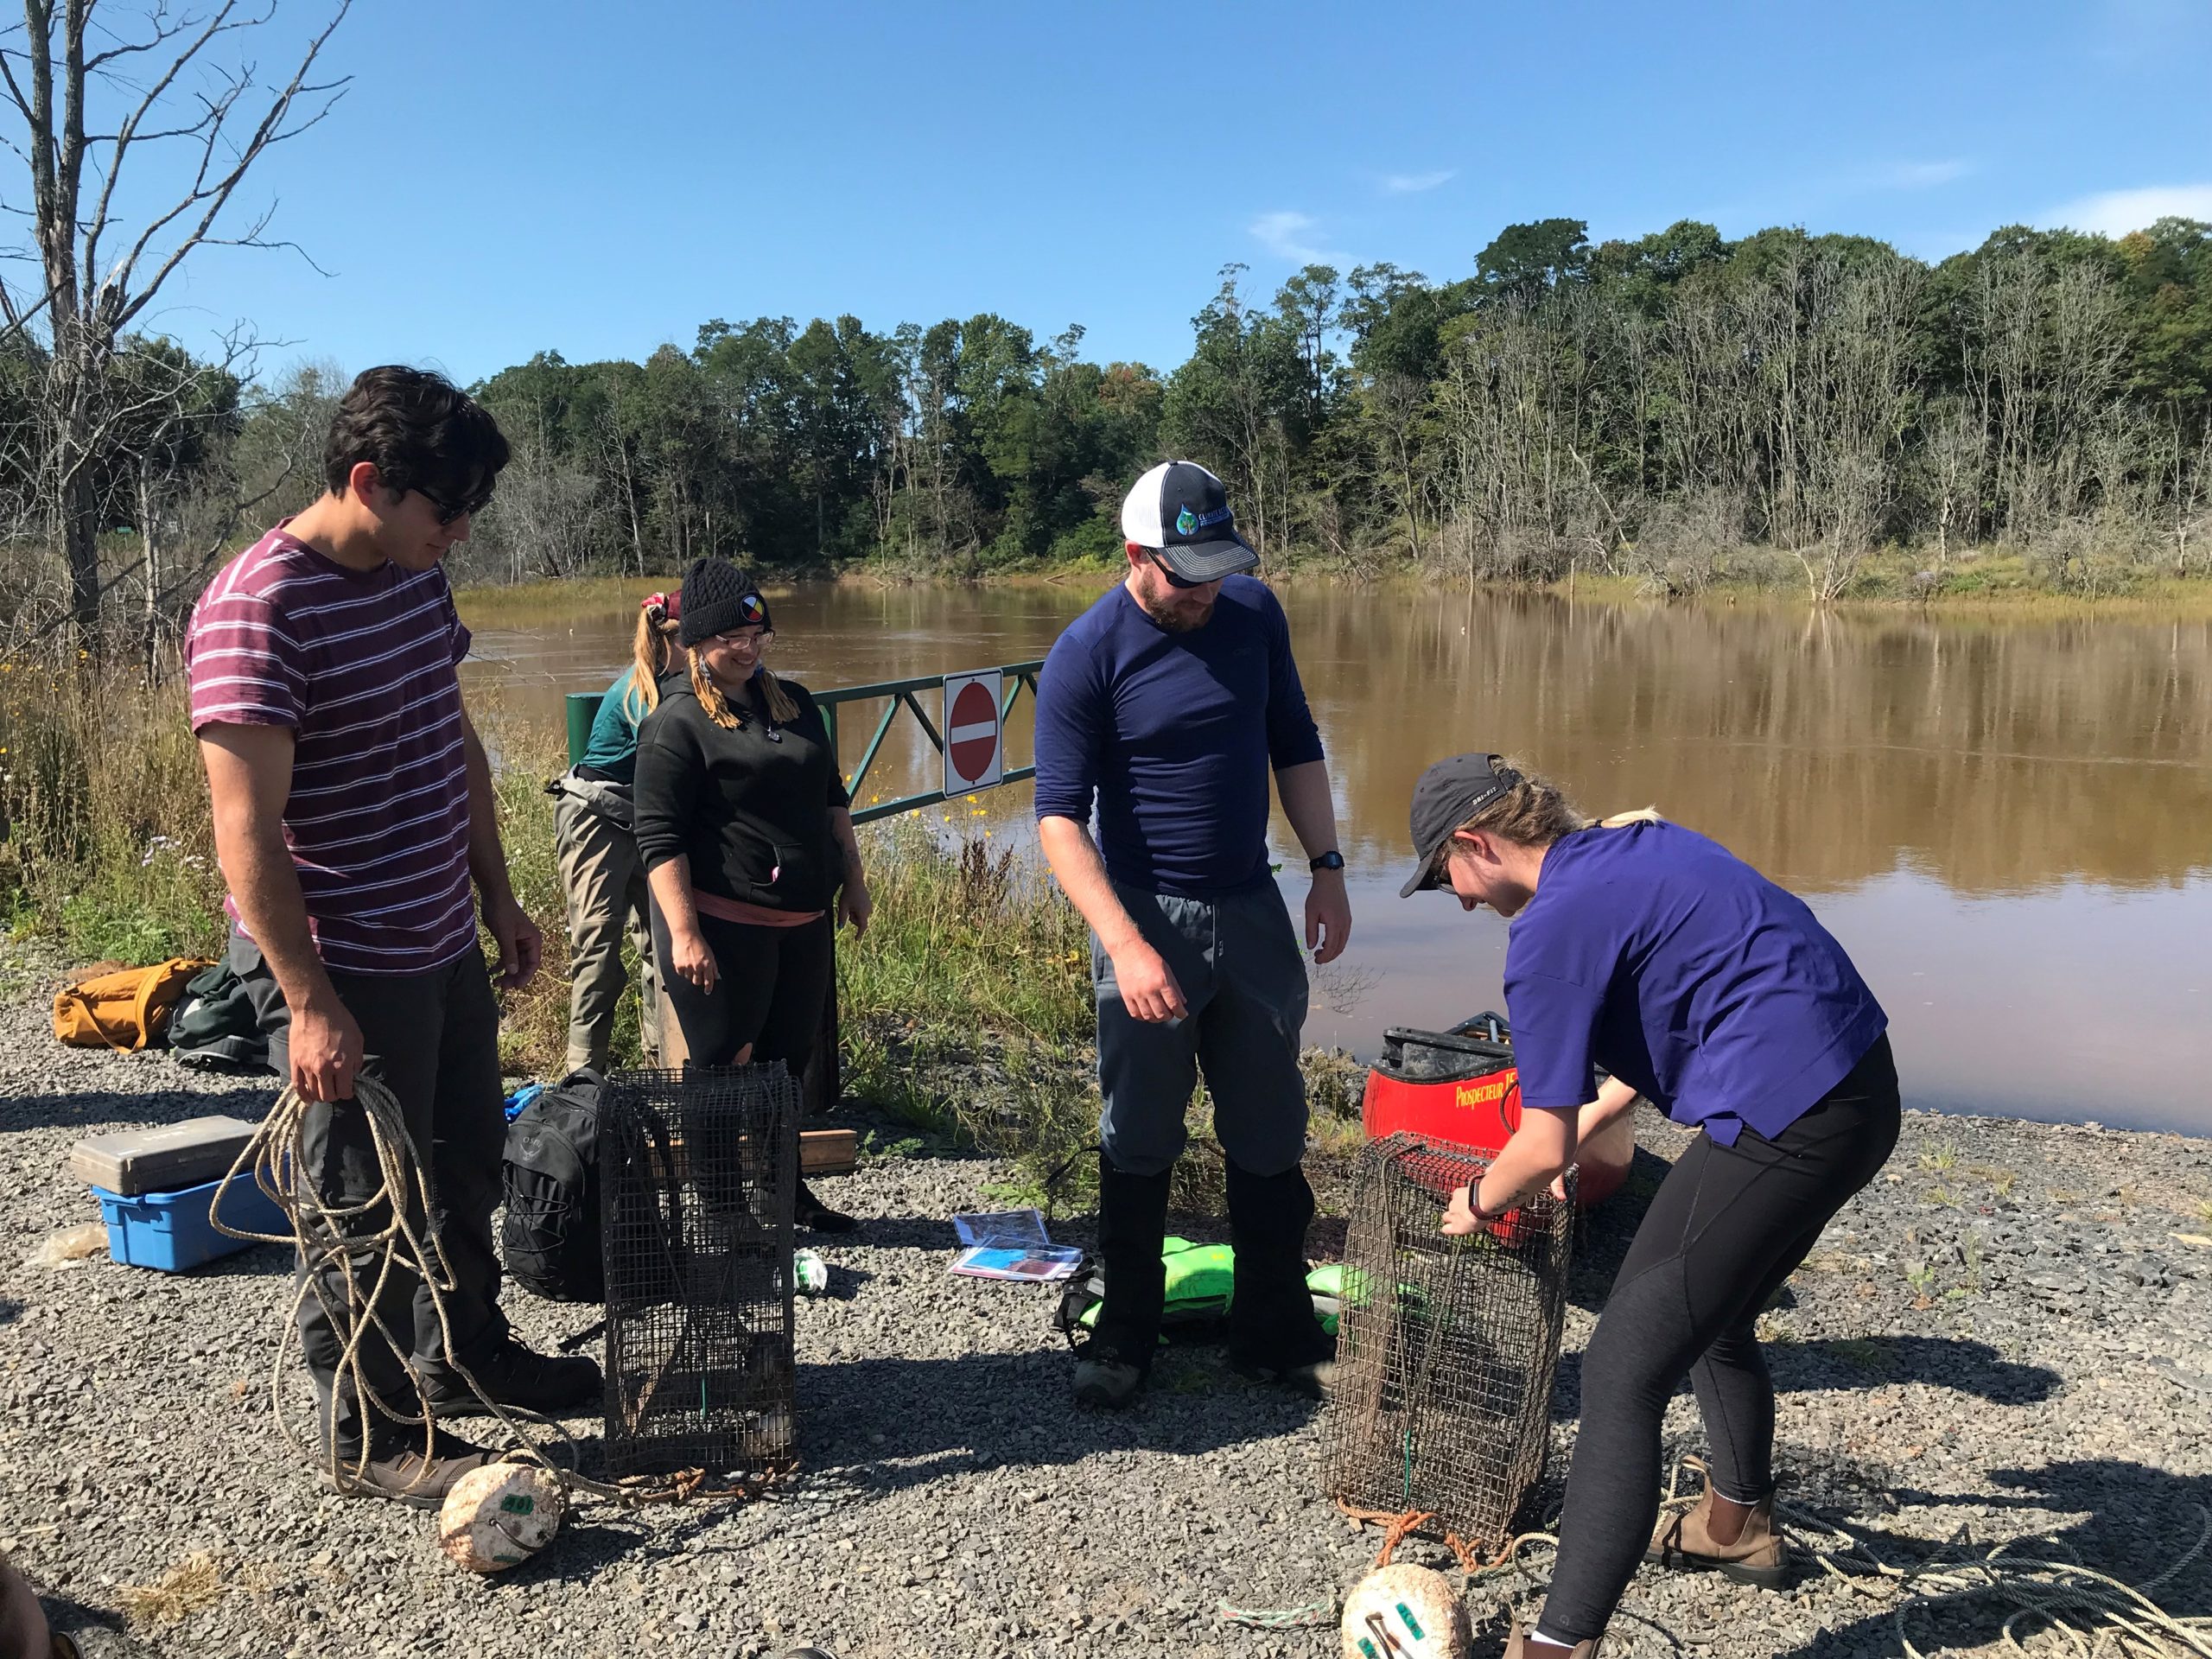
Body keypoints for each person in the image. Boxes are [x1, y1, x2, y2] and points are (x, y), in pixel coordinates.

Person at [187, 366, 601, 1508]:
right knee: (364, 1202)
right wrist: (308, 1000)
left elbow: (450, 742)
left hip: (438, 936)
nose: (459, 533)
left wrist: (498, 898)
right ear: (369, 481)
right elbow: (244, 828)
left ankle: (463, 1356)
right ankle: (366, 1431)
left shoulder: (415, 576)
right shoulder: (258, 609)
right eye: (447, 510)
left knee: (463, 1166)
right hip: (344, 959)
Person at [1399, 753, 1899, 1659]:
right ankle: (1734, 1526)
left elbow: (1538, 1147)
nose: (1460, 902)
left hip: (1787, 1119)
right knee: (1714, 1312)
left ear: (1476, 842)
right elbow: (1690, 993)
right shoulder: (1636, 844)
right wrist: (1589, 1118)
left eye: (1444, 878)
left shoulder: (1545, 933)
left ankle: (1558, 1645)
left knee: (1621, 1371)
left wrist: (1474, 1199)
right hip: (1859, 1089)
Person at [1033, 459, 1351, 1409]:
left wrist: (1328, 868)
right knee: (1138, 1133)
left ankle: (1274, 1331)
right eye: (1187, 576)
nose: (1207, 591)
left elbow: (1294, 741)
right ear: (1136, 555)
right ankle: (1125, 1334)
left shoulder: (1254, 614)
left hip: (1251, 907)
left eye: (1220, 570)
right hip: (1146, 913)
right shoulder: (1086, 653)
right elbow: (1058, 820)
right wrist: (1127, 945)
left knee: (1270, 1128)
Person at [632, 558, 870, 1232]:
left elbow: (833, 798)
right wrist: (684, 933)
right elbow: (659, 836)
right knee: (723, 1067)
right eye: (731, 638)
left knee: (786, 1065)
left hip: (803, 919)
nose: (747, 648)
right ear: (695, 641)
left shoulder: (794, 703)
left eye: (757, 634)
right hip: (722, 922)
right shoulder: (677, 722)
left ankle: (782, 1190)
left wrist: (854, 881)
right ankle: (722, 1208)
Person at [550, 590, 683, 1073]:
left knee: (663, 947)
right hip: (595, 819)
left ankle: (663, 1067)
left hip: (640, 817)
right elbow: (671, 765)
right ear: (672, 641)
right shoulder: (642, 693)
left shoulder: (679, 683)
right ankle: (583, 1079)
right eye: (699, 640)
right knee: (598, 951)